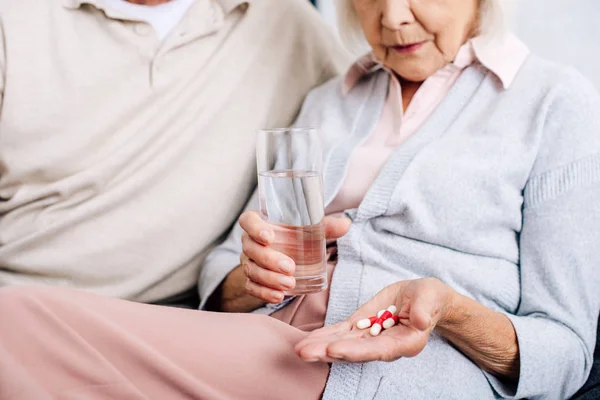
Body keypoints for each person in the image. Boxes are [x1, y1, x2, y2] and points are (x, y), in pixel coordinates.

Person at [1, 0, 599, 398]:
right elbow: (225, 264)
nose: (393, 18)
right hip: (266, 339)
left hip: (376, 369)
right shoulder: (331, 97)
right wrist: (248, 275)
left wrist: (447, 308)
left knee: (17, 323)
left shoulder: (554, 103)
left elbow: (567, 349)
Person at [0, 0, 349, 306]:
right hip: (18, 303)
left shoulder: (286, 22)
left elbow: (376, 116)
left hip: (173, 321)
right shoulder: (14, 19)